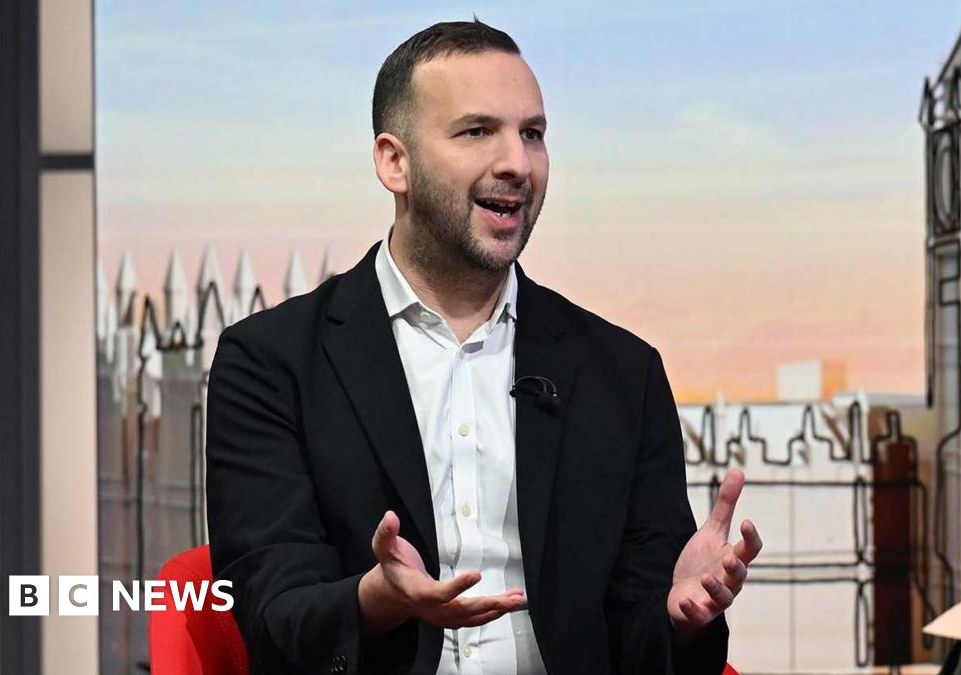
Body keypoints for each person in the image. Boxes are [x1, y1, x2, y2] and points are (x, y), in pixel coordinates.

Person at [205, 19, 762, 675]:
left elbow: (639, 638)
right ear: (394, 161)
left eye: (532, 134)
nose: (517, 163)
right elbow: (273, 616)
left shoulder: (622, 373)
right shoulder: (270, 363)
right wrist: (376, 598)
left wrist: (676, 617)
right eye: (477, 132)